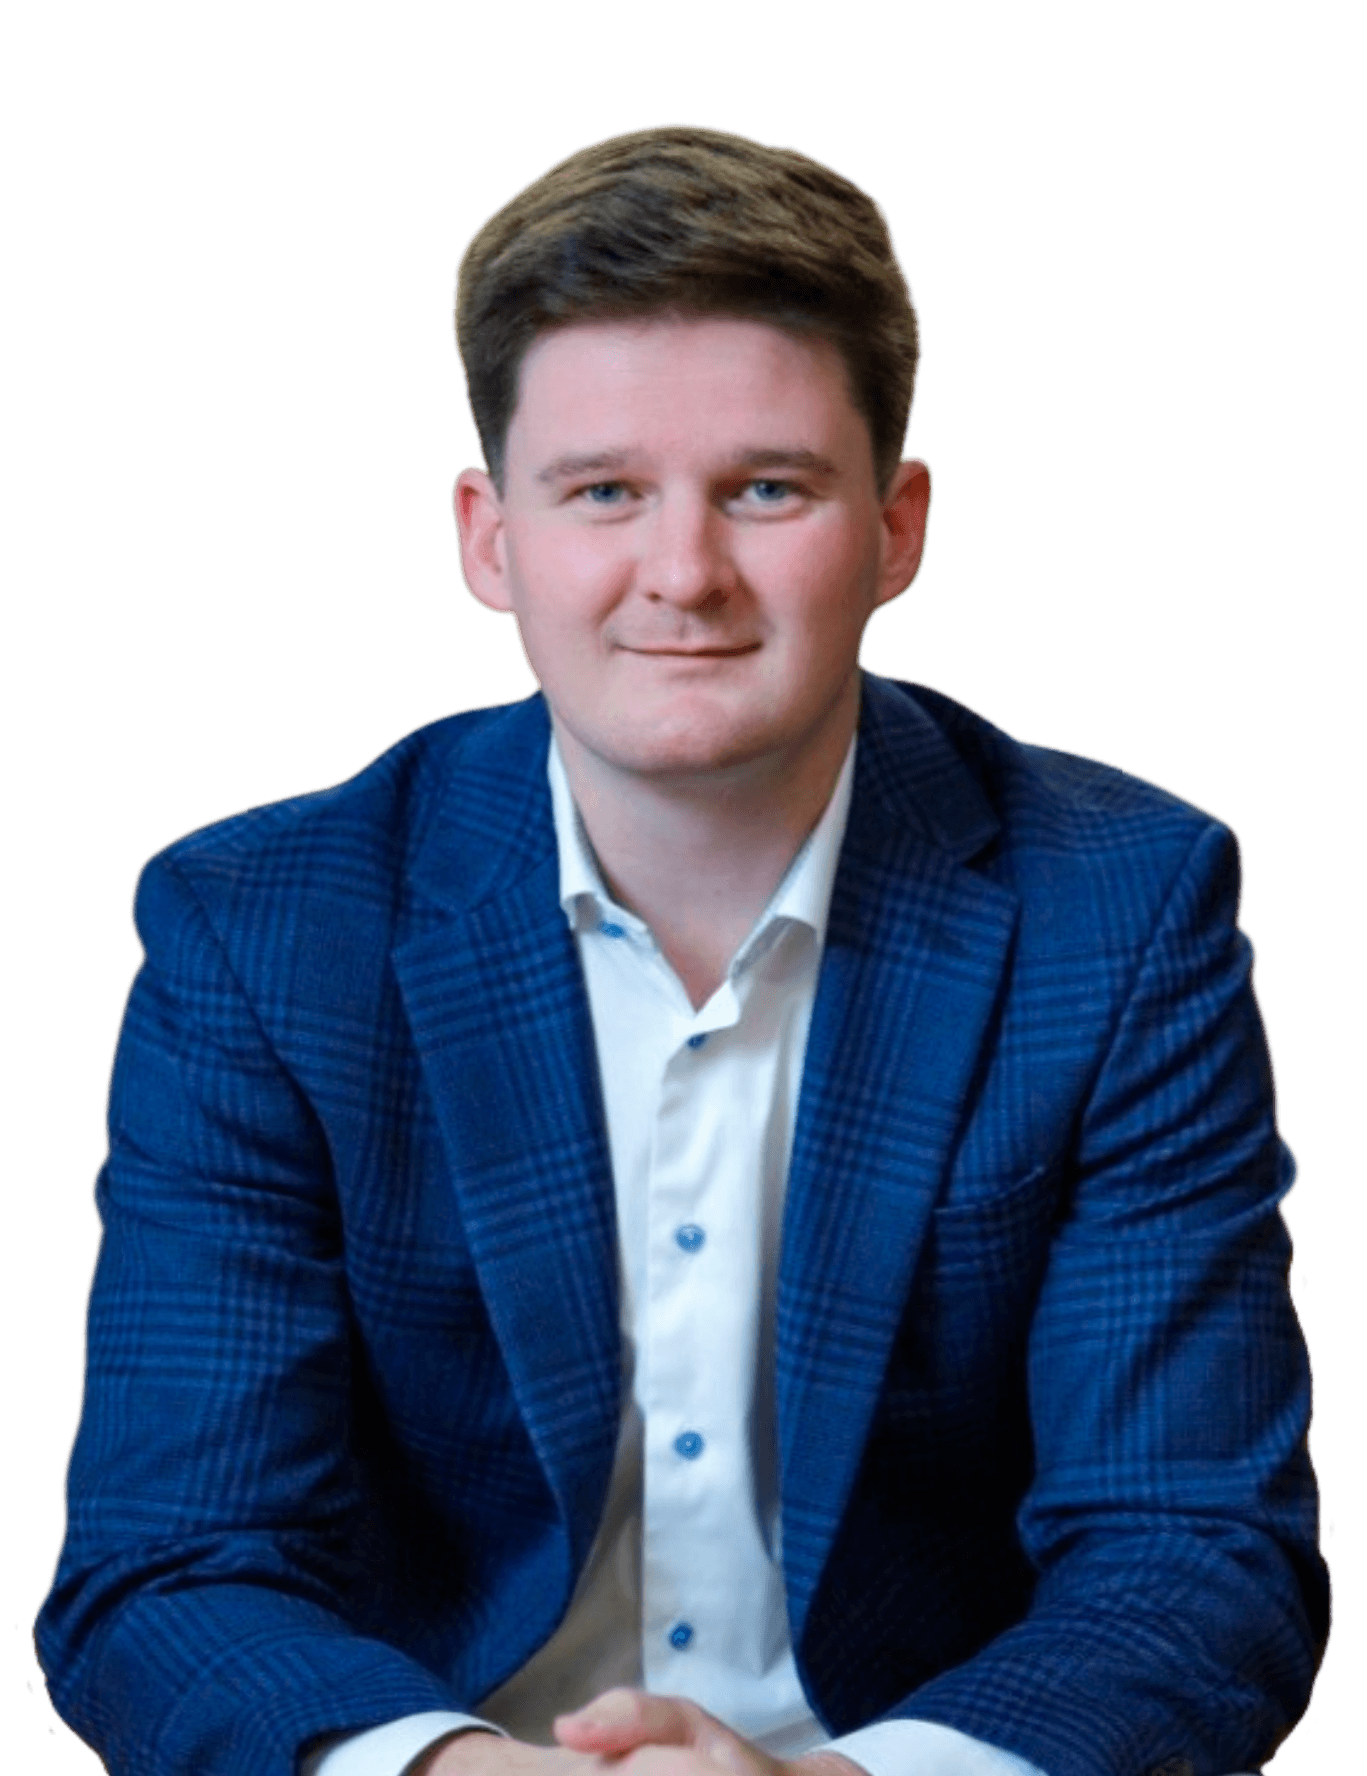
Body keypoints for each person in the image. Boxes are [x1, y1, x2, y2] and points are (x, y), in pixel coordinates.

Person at [35, 124, 1326, 1776]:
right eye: (603, 493)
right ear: (489, 537)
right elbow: (168, 1568)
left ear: (898, 524)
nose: (685, 575)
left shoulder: (1125, 908)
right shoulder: (264, 930)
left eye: (766, 488)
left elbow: (1192, 1552)